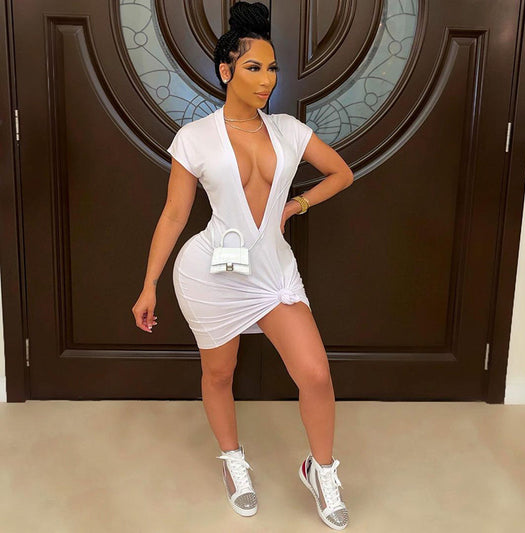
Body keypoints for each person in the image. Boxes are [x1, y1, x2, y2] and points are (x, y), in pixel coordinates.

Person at [132, 1, 353, 529]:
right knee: (219, 372)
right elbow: (174, 214)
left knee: (315, 374)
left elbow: (342, 173)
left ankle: (320, 470)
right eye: (254, 67)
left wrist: (296, 206)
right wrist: (149, 284)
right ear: (226, 72)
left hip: (273, 274)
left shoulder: (288, 131)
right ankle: (233, 462)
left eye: (272, 68)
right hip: (210, 273)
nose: (267, 79)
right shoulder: (195, 138)